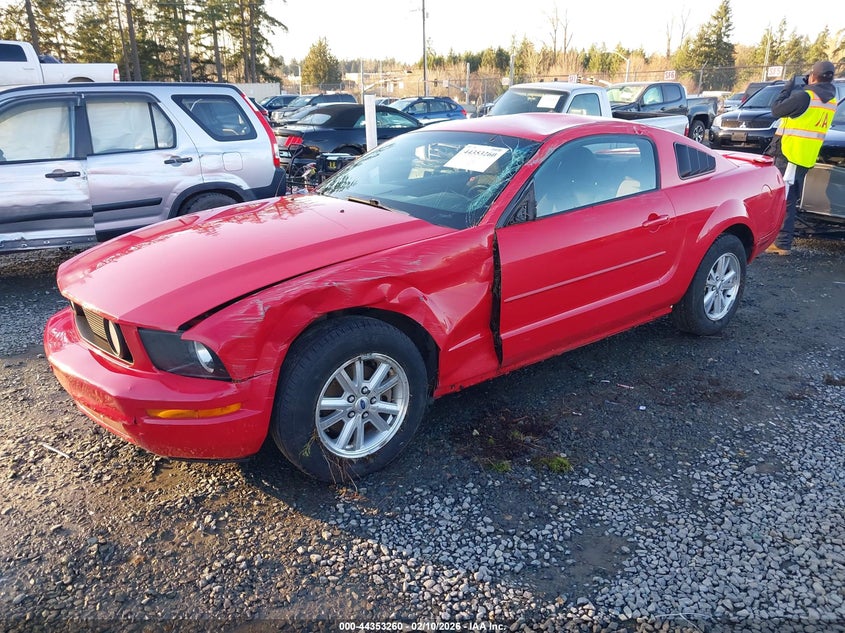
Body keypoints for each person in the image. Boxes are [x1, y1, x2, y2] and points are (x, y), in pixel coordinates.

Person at [765, 60, 838, 255]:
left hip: (790, 154)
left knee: (785, 199)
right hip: (804, 156)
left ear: (813, 76)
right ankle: (780, 239)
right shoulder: (831, 100)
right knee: (789, 196)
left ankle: (782, 242)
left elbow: (776, 110)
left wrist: (787, 89)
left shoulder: (806, 97)